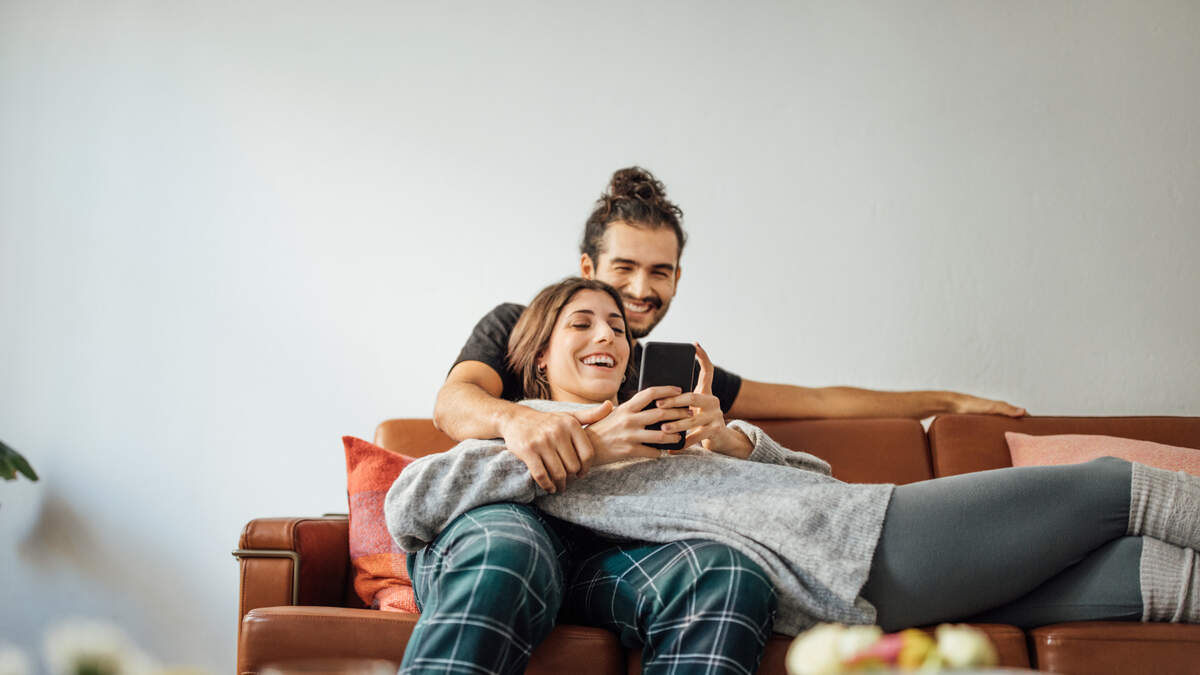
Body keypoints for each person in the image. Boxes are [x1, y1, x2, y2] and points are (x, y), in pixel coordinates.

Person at [389, 277, 1200, 671]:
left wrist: (732, 440)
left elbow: (815, 476)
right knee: (1108, 486)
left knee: (1148, 574)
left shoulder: (672, 423)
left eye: (618, 328)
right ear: (536, 356)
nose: (609, 335)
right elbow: (412, 500)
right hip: (843, 556)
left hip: (847, 524)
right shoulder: (530, 433)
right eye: (583, 323)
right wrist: (588, 443)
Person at [435, 166, 1027, 494]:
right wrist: (518, 421)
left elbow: (820, 402)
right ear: (587, 268)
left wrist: (947, 402)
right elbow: (453, 404)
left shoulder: (675, 374)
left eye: (660, 272)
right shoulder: (518, 327)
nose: (641, 289)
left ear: (677, 278)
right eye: (624, 268)